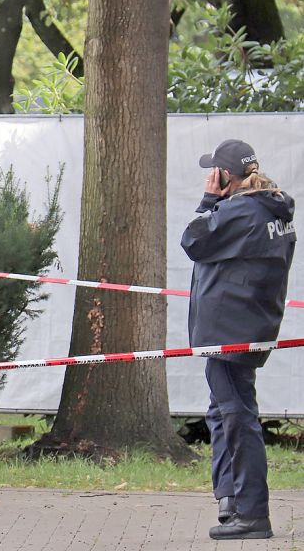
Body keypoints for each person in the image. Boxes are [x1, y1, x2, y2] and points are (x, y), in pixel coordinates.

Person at [181, 139, 296, 540]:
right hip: (252, 323)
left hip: (229, 330)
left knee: (236, 417)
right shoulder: (272, 207)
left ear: (224, 176)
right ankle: (230, 500)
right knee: (223, 412)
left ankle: (251, 513)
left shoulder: (238, 210)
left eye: (213, 172)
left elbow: (193, 242)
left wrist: (207, 200)